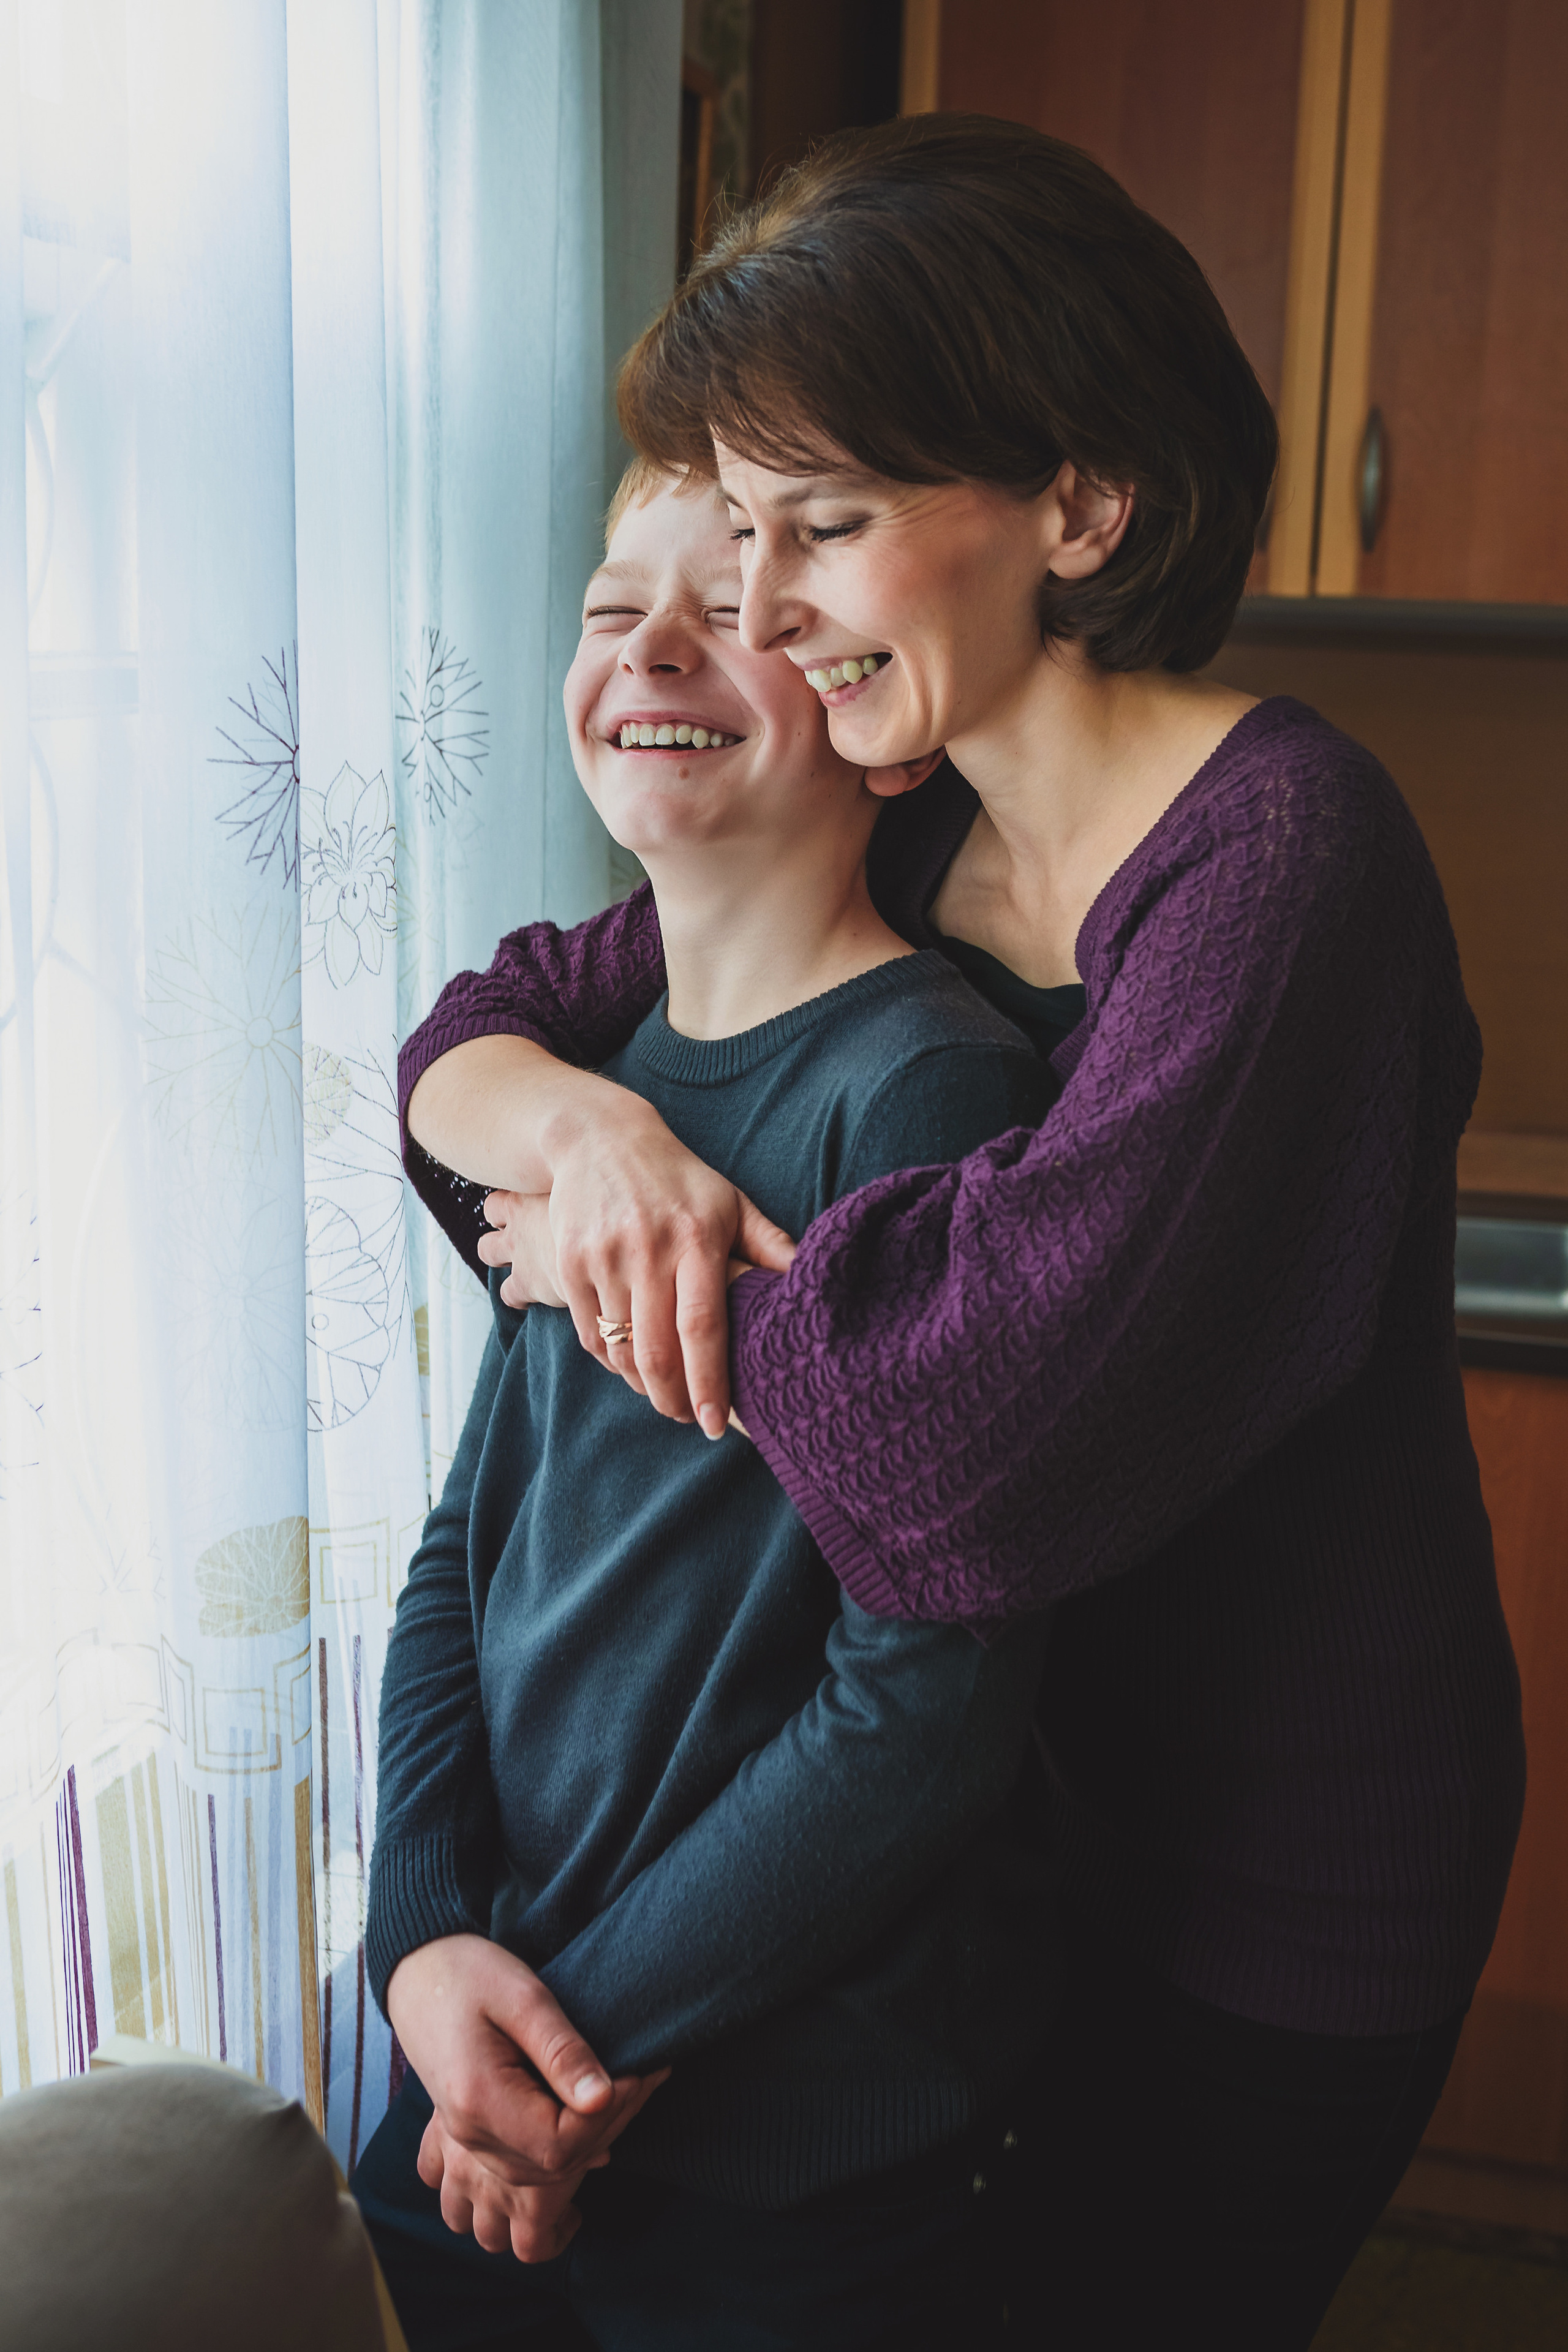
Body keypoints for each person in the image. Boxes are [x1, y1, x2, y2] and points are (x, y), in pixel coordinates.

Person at [395, 118, 1526, 2349]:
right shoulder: (919, 845)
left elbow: (961, 1448)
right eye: (748, 528)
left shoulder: (1279, 871)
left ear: (1080, 509)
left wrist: (628, 1238)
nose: (770, 606)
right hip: (1027, 1827)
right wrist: (587, 1147)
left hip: (1277, 1882)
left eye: (825, 529)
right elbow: (479, 1042)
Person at [353, 458, 1060, 2350]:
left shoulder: (924, 1094)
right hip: (476, 2059)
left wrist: (567, 2046)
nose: (655, 646)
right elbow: (466, 1552)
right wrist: (421, 1942)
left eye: (738, 603)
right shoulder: (592, 1079)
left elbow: (926, 1704)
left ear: (870, 715)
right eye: (609, 606)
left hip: (769, 2143)